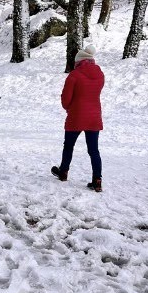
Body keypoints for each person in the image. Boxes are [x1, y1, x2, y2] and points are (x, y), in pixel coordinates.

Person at [52, 44, 105, 192]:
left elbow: (65, 100)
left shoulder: (74, 75)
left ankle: (63, 172)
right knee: (94, 150)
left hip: (76, 116)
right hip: (94, 116)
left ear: (79, 61)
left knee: (68, 146)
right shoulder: (100, 74)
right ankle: (97, 180)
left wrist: (70, 108)